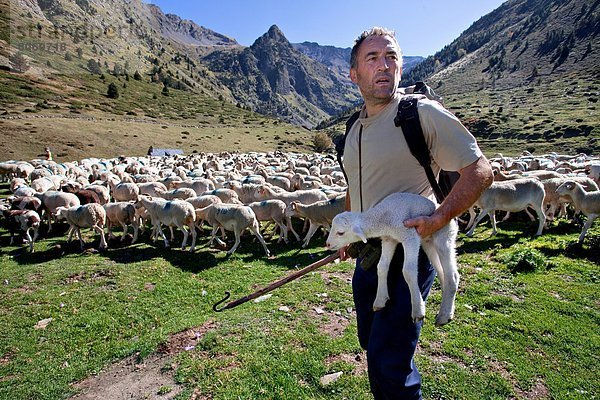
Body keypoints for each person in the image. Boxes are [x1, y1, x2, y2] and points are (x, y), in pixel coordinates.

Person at [338, 27, 494, 399]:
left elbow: (481, 171)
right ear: (353, 73)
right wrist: (349, 234)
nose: (384, 66)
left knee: (390, 362)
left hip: (408, 249)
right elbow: (354, 189)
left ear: (401, 66)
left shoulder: (418, 113)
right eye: (372, 58)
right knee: (371, 347)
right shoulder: (352, 128)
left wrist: (439, 218)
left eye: (391, 57)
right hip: (369, 257)